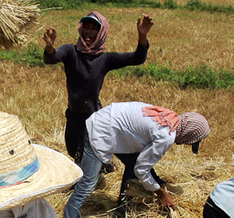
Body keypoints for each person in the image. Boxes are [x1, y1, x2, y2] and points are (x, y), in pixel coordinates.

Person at [62, 102, 210, 218]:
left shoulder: (168, 117)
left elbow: (139, 163)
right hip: (101, 131)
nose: (186, 144)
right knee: (86, 186)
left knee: (132, 163)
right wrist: (161, 193)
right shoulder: (166, 136)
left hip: (109, 121)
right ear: (189, 134)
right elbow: (142, 170)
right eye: (190, 142)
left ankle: (121, 209)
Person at [43, 11, 153, 164]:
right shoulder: (71, 51)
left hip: (93, 114)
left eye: (94, 28)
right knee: (72, 148)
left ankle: (91, 176)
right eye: (86, 27)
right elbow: (51, 58)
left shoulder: (105, 59)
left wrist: (142, 36)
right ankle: (104, 166)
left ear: (101, 32)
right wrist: (49, 46)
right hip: (73, 112)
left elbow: (137, 58)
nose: (88, 32)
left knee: (86, 152)